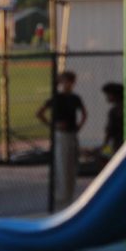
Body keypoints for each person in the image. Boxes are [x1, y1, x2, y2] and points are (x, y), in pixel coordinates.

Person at [37, 71, 87, 209]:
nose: (67, 85)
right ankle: (61, 196)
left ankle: (69, 195)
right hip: (61, 134)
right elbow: (40, 113)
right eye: (64, 82)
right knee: (62, 165)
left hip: (72, 133)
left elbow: (84, 113)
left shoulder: (75, 98)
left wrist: (79, 126)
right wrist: (53, 125)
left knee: (72, 164)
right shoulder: (56, 98)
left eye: (69, 82)